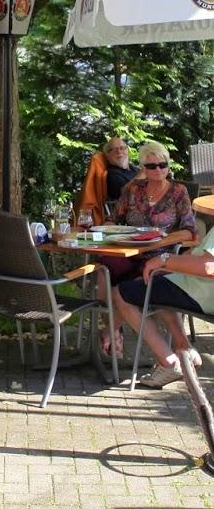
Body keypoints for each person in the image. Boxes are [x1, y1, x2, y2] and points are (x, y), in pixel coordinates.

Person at [98, 139, 198, 359]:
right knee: (104, 264)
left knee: (145, 280)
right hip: (132, 252)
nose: (158, 170)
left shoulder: (178, 191)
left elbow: (190, 232)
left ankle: (111, 331)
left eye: (163, 165)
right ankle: (114, 330)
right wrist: (107, 231)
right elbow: (113, 220)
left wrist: (158, 242)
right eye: (152, 166)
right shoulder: (133, 190)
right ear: (143, 168)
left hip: (162, 257)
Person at [113, 225, 213, 389]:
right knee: (152, 283)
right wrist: (170, 264)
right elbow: (199, 255)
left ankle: (169, 362)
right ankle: (184, 348)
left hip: (200, 293)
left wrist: (165, 259)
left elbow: (208, 266)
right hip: (198, 289)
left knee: (121, 294)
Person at [75, 137, 139, 225]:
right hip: (129, 219)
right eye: (113, 149)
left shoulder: (136, 170)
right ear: (107, 156)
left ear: (127, 151)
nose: (119, 152)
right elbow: (127, 194)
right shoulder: (110, 175)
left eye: (122, 148)